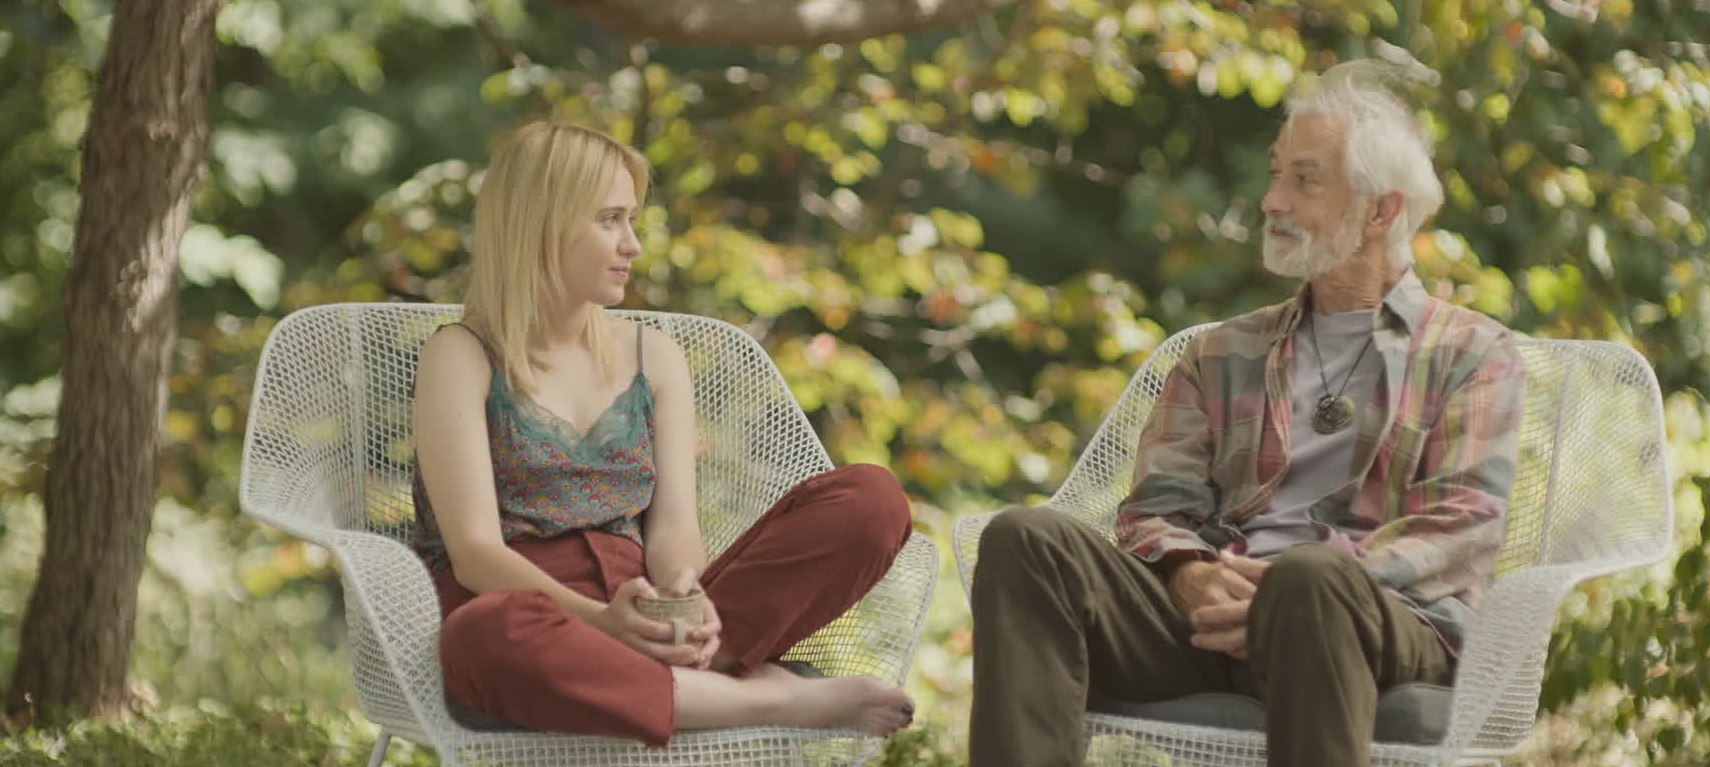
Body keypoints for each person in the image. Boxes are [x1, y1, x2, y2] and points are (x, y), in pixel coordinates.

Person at [967, 60, 1527, 767]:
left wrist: (1290, 585)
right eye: (1274, 175)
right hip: (1210, 616)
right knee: (1026, 538)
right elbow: (1154, 509)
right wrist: (1189, 574)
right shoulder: (1220, 352)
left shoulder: (1470, 352)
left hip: (1377, 618)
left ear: (1380, 212)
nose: (1271, 200)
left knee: (1307, 579)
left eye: (1303, 180)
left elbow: (1462, 523)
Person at [409, 118, 916, 747]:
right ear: (540, 225)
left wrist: (684, 595)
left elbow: (675, 527)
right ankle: (768, 698)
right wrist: (601, 623)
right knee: (485, 636)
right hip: (530, 615)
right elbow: (475, 555)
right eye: (610, 221)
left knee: (871, 499)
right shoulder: (460, 355)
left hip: (647, 611)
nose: (633, 245)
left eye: (632, 221)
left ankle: (690, 675)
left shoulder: (655, 354)